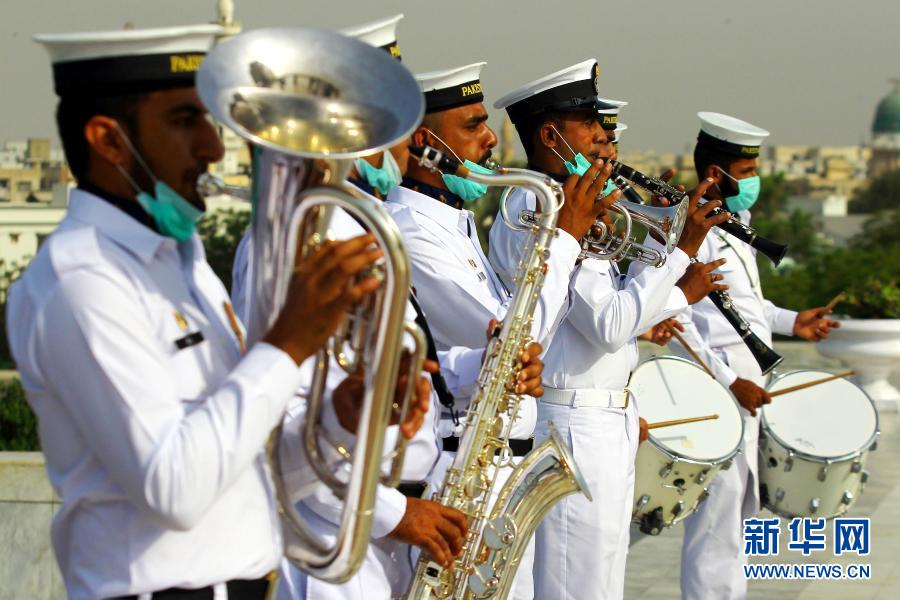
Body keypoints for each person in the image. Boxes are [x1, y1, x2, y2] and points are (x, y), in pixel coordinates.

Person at [6, 24, 413, 600]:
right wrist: (287, 345)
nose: (214, 147)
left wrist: (342, 419)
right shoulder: (82, 281)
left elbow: (246, 470)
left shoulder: (181, 261)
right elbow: (174, 489)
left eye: (207, 119)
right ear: (108, 140)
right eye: (184, 120)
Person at [488, 60, 731, 600]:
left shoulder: (570, 202)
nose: (603, 135)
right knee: (576, 584)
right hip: (572, 421)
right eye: (588, 123)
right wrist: (680, 257)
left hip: (601, 417)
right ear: (550, 136)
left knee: (601, 579)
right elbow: (610, 325)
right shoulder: (541, 205)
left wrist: (659, 245)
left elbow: (614, 312)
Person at [384, 60, 617, 599]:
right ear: (425, 144)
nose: (491, 139)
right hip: (464, 470)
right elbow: (516, 339)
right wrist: (565, 239)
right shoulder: (413, 234)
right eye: (472, 125)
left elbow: (517, 340)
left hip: (497, 469)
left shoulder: (454, 223)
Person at [660, 112, 840, 600]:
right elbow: (675, 320)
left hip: (747, 387)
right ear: (715, 174)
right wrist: (727, 380)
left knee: (740, 510)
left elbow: (747, 305)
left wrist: (793, 321)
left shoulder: (736, 225)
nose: (754, 181)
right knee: (716, 518)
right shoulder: (690, 232)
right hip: (720, 388)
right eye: (746, 172)